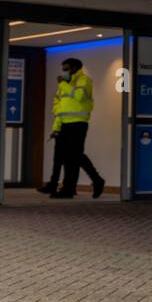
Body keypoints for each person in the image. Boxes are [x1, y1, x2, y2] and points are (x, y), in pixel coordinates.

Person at [46, 57, 105, 199]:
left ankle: (93, 181)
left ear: (74, 68)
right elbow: (61, 107)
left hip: (78, 124)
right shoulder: (68, 83)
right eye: (63, 70)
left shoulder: (84, 81)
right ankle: (70, 188)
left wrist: (63, 84)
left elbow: (79, 97)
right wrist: (57, 127)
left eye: (66, 69)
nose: (64, 72)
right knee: (69, 158)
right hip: (65, 124)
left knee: (75, 156)